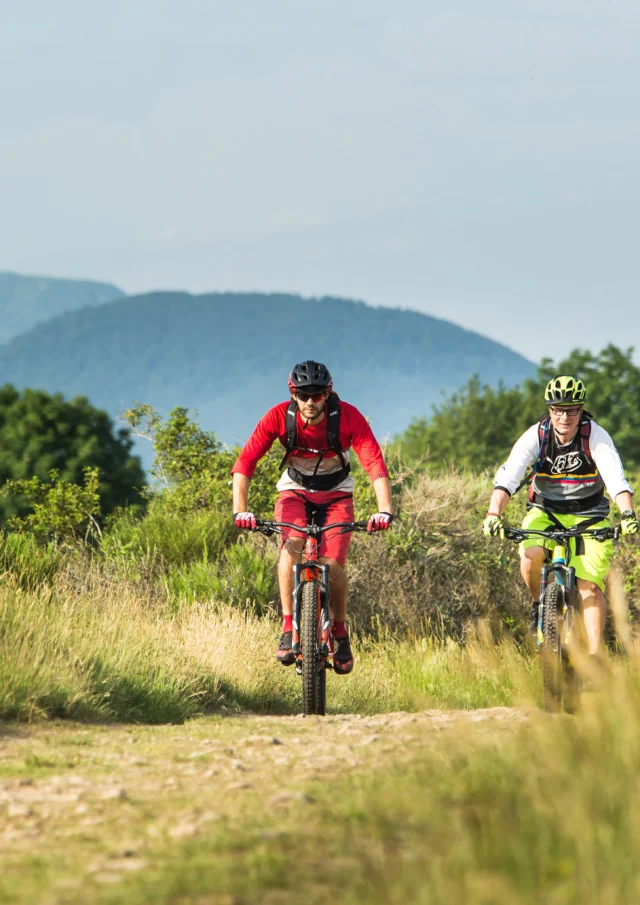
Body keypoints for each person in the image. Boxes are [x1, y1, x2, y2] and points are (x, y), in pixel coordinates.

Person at [231, 360, 393, 674]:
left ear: (327, 393)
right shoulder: (279, 416)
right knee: (290, 548)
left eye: (317, 395)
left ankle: (340, 632)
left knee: (331, 565)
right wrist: (241, 510)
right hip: (295, 492)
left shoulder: (347, 416)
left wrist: (384, 510)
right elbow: (245, 462)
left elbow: (374, 462)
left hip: (337, 494)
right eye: (303, 395)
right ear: (293, 394)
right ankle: (288, 627)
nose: (309, 401)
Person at [483, 374, 638, 656]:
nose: (564, 417)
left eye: (571, 410)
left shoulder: (595, 436)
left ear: (581, 410)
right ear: (549, 410)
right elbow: (508, 478)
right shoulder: (537, 435)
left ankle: (594, 656)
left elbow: (616, 481)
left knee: (589, 586)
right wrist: (493, 514)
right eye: (557, 410)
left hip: (589, 516)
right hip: (545, 512)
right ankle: (538, 606)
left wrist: (628, 514)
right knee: (529, 557)